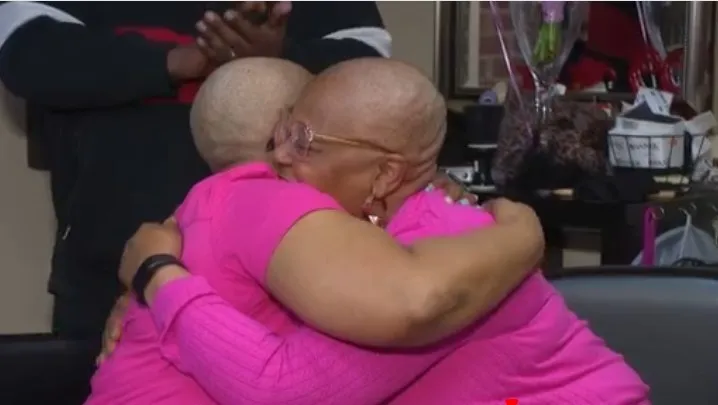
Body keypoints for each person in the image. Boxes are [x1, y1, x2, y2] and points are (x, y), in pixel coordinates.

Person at [103, 58, 648, 404]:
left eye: (305, 142)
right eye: (283, 132)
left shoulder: (438, 242)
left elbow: (283, 392)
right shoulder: (357, 230)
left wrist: (160, 277)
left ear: (386, 174)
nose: (279, 157)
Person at [0, 0, 391, 340]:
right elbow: (25, 49)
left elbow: (375, 75)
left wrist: (280, 57)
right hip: (113, 263)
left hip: (292, 274)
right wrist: (184, 61)